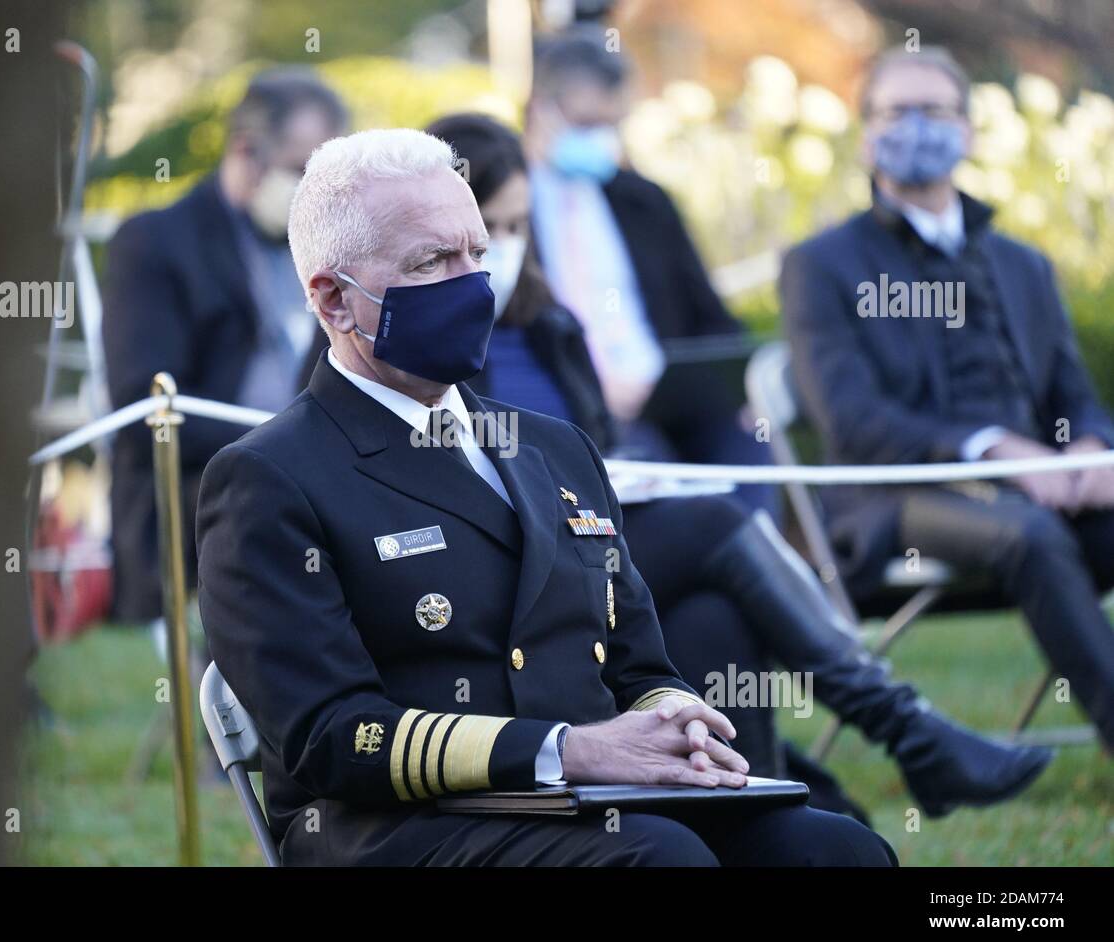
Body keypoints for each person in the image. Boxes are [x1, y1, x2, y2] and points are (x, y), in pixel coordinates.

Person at [196, 127, 897, 866]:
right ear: (334, 300)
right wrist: (568, 749)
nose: (473, 284)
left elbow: (637, 666)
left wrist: (677, 718)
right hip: (403, 830)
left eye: (479, 253)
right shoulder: (269, 477)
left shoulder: (553, 448)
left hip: (599, 802)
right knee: (660, 860)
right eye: (432, 261)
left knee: (835, 850)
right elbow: (330, 736)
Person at [425, 111, 1050, 820]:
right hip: (513, 572)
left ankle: (764, 811)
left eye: (513, 229)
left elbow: (585, 450)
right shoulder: (411, 343)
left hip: (598, 553)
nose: (500, 251)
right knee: (715, 525)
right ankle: (903, 728)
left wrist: (623, 473)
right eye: (484, 232)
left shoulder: (550, 326)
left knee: (713, 619)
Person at [780, 46, 1114, 751]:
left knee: (1065, 523)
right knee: (1031, 533)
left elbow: (1073, 394)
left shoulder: (1023, 264)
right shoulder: (820, 265)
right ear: (866, 133)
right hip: (894, 496)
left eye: (935, 111)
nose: (916, 127)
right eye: (896, 111)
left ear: (968, 130)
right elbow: (850, 419)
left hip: (1037, 491)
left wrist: (1086, 448)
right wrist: (996, 450)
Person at [103, 67, 347, 623]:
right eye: (299, 170)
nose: (315, 193)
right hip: (202, 495)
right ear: (246, 150)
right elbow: (143, 413)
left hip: (311, 474)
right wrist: (280, 443)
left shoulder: (323, 243)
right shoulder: (157, 242)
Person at [522, 27, 778, 517]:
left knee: (746, 448)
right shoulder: (507, 208)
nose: (600, 139)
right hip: (576, 407)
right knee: (652, 472)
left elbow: (710, 314)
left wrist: (739, 388)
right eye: (586, 122)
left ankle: (751, 565)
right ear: (541, 108)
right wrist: (595, 387)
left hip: (666, 393)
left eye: (612, 125)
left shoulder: (643, 201)